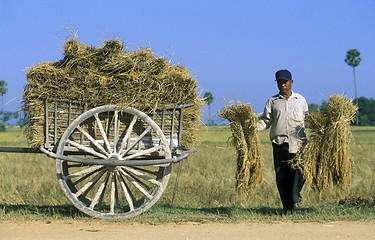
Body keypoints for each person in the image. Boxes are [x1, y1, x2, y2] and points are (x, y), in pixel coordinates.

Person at [257, 69, 308, 214]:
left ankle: (295, 196)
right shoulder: (272, 101)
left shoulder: (301, 100)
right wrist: (252, 127)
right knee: (282, 176)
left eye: (285, 81)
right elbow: (266, 121)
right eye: (280, 82)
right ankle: (287, 209)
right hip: (279, 143)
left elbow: (307, 119)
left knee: (300, 171)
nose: (283, 84)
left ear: (291, 82)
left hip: (298, 143)